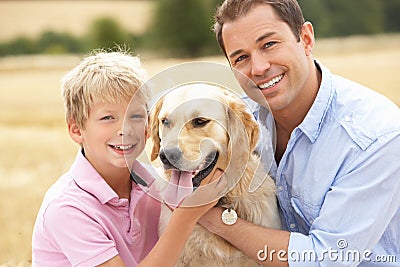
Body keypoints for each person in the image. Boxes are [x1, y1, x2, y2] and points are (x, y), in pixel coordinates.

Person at [198, 0, 400, 266]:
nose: (258, 68)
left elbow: (324, 260)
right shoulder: (235, 122)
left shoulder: (376, 136)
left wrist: (216, 220)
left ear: (305, 38)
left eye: (269, 44)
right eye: (241, 58)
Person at [31, 49, 225, 267]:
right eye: (108, 118)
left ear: (149, 126)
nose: (125, 129)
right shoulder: (67, 208)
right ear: (77, 130)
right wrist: (186, 217)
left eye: (136, 116)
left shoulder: (156, 184)